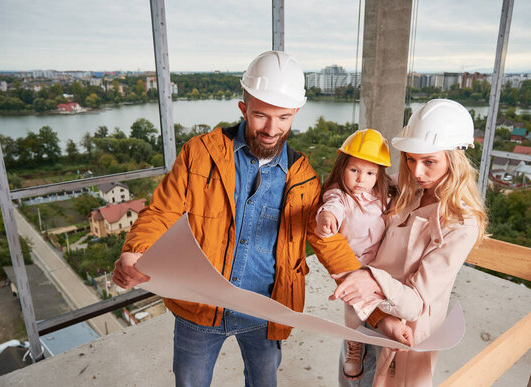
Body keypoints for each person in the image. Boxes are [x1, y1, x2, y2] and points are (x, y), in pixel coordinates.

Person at [112, 50, 364, 387]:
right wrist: (136, 250)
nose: (272, 129)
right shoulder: (199, 154)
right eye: (260, 115)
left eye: (284, 118)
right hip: (198, 308)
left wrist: (362, 286)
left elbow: (324, 238)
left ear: (296, 113)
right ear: (244, 107)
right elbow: (162, 211)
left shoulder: (303, 176)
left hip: (265, 310)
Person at [331, 99, 488, 386]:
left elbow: (415, 304)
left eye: (429, 162)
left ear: (455, 158)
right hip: (365, 312)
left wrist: (370, 277)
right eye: (410, 159)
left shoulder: (460, 224)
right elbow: (349, 188)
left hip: (402, 333)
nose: (417, 172)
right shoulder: (405, 191)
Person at [315, 128, 399, 379]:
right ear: (342, 167)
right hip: (352, 266)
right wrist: (326, 218)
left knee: (385, 305)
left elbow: (402, 180)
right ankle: (354, 344)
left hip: (379, 266)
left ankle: (386, 350)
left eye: (370, 172)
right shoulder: (339, 195)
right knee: (354, 307)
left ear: (378, 174)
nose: (361, 179)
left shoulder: (381, 194)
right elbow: (331, 207)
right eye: (354, 170)